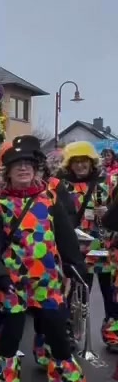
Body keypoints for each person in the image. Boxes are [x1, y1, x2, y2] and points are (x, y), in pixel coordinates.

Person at [0, 134, 89, 382]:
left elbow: (66, 239)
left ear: (36, 168)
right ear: (8, 172)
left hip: (47, 281)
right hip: (10, 282)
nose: (23, 169)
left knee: (58, 336)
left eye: (28, 164)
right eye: (16, 165)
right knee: (11, 336)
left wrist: (77, 268)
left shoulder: (50, 200)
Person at [54, 140, 118, 351]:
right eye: (76, 162)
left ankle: (113, 334)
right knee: (77, 294)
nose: (80, 166)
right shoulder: (61, 185)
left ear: (92, 163)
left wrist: (108, 211)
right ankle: (70, 332)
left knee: (112, 295)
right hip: (77, 249)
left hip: (107, 248)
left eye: (84, 162)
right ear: (69, 165)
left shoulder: (109, 181)